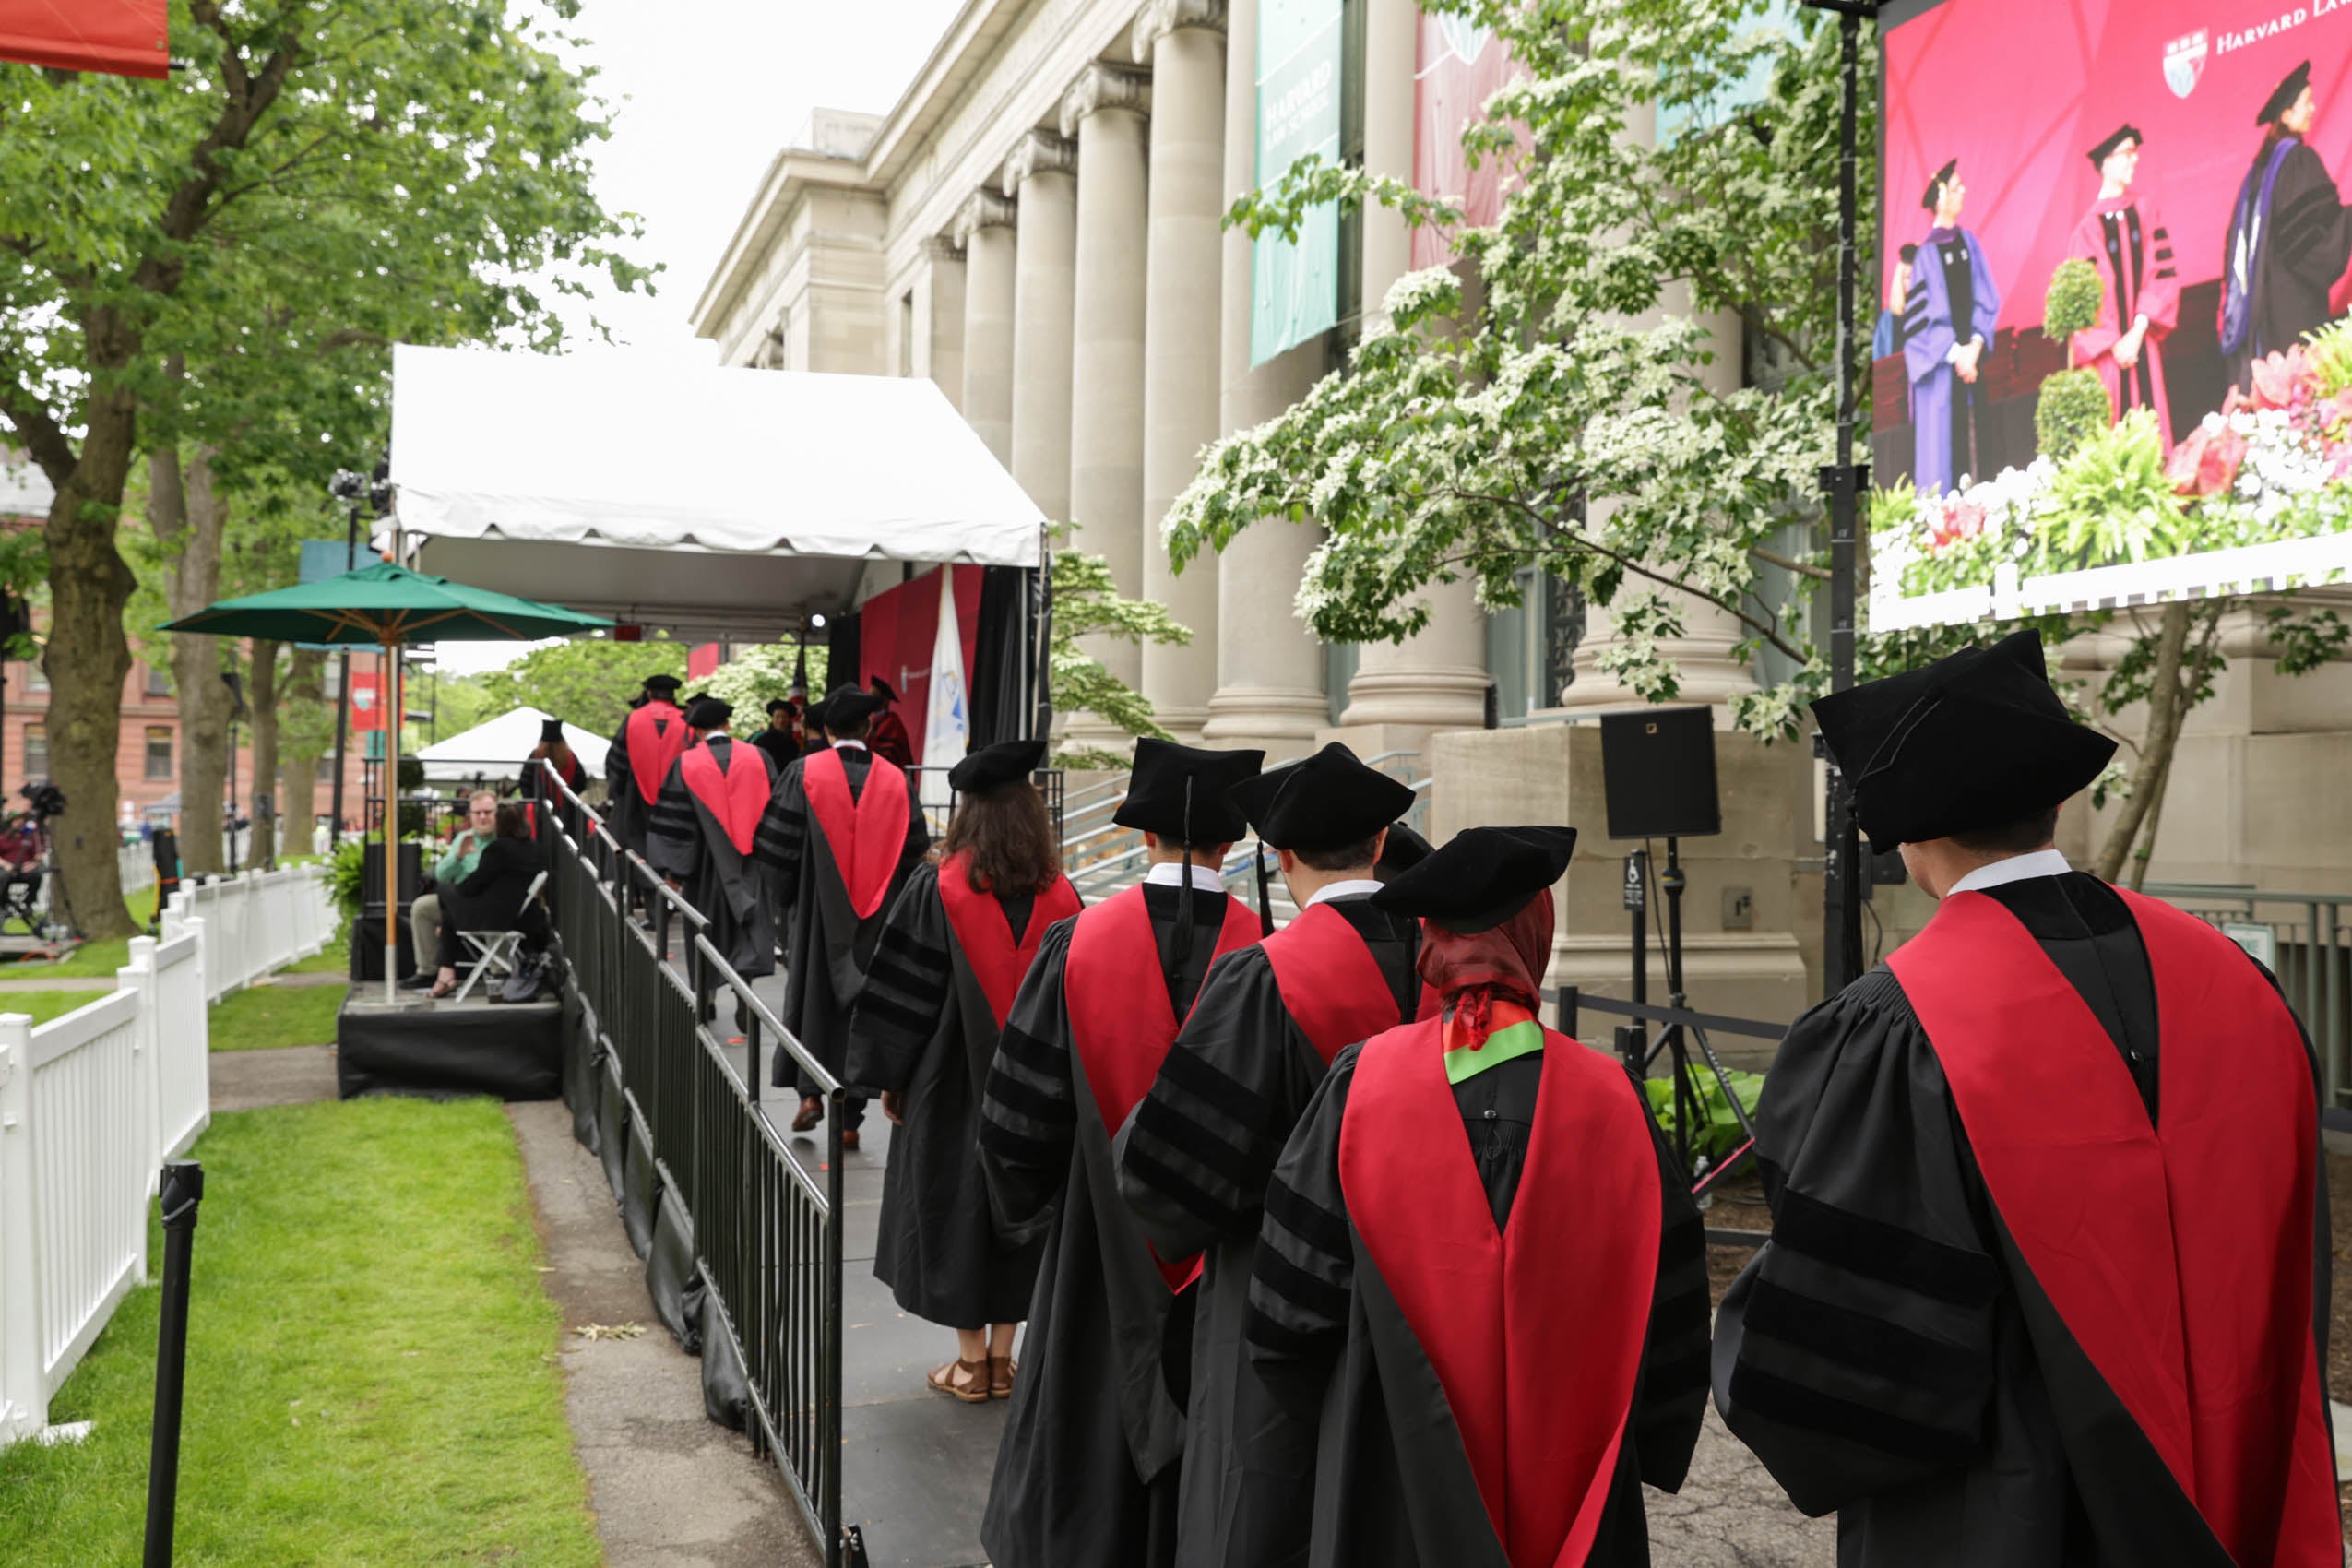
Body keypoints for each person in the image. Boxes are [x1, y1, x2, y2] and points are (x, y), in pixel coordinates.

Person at [1714, 629, 2340, 1565]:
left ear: (1914, 837)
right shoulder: (2238, 983)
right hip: (2235, 1472)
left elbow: (1855, 1365)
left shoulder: (1901, 1025)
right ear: (2052, 800)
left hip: (2013, 1513)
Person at [1240, 826, 1708, 1567]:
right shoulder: (1612, 1101)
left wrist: (1324, 1416)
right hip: (1573, 1464)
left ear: (1431, 941)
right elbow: (1670, 1304)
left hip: (1390, 1464)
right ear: (1535, 935)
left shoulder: (1363, 1084)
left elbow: (1291, 1311)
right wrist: (1647, 1436)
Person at [1111, 742, 1423, 1568]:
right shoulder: (1445, 967)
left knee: (1264, 1491)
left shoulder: (1264, 977)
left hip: (1270, 1284)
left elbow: (1168, 1172)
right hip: (1422, 1290)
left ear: (1281, 857)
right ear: (1384, 845)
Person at [976, 737, 1265, 1568]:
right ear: (1234, 841)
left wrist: (1035, 1206)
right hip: (1228, 1253)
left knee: (1086, 1406)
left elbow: (1017, 1117)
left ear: (1144, 838)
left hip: (1096, 1243)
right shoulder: (1270, 959)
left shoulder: (1079, 943)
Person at [845, 738, 1081, 1403]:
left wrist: (890, 1079)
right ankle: (1005, 1361)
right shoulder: (1063, 898)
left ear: (967, 816)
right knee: (1024, 1200)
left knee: (957, 1205)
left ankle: (971, 1364)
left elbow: (903, 1000)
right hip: (1040, 1088)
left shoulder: (936, 889)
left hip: (950, 1085)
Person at [757, 683, 929, 1149]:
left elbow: (777, 847)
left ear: (827, 729)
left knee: (814, 995)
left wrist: (789, 898)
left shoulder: (803, 773)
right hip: (882, 917)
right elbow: (916, 852)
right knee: (865, 1005)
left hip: (818, 913)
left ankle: (811, 1095)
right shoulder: (896, 780)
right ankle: (851, 1118)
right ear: (869, 726)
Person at [2224, 60, 2352, 394]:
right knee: (2302, 389)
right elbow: (2309, 240)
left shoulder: (2256, 174)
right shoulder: (2298, 161)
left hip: (2264, 306)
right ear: (2285, 115)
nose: (2313, 108)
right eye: (2306, 102)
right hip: (2294, 304)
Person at [646, 696, 782, 992]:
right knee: (747, 929)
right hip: (751, 863)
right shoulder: (759, 757)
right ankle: (744, 989)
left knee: (704, 927)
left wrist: (673, 872)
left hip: (704, 866)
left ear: (696, 731)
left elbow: (675, 823)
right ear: (727, 724)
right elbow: (776, 812)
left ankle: (706, 994)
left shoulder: (686, 763)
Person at [2068, 125, 2180, 447]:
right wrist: (2115, 343)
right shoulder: (2086, 232)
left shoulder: (2145, 212)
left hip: (2140, 343)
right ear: (2106, 163)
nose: (2135, 160)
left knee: (2151, 440)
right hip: (2110, 358)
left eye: (2135, 152)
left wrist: (2137, 331)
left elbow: (2161, 275)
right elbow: (2083, 308)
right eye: (2127, 153)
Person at [1904, 160, 2003, 494]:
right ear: (1940, 196)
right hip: (1943, 377)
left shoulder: (1970, 244)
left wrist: (1974, 347)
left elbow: (1986, 297)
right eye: (1957, 187)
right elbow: (1918, 327)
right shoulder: (1925, 256)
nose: (1964, 192)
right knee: (1945, 460)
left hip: (1971, 367)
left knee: (1977, 454)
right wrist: (1956, 354)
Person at [424, 802, 547, 999]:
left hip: (495, 917)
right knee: (449, 914)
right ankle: (445, 973)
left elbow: (472, 886)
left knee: (444, 889)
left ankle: (445, 973)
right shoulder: (535, 849)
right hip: (522, 915)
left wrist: (458, 888)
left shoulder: (498, 849)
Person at [407, 790, 499, 992]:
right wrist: (458, 856)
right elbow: (440, 874)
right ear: (470, 815)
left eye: (488, 812)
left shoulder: (503, 839)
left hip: (488, 904)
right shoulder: (464, 838)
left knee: (460, 902)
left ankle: (496, 970)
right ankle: (428, 971)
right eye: (478, 813)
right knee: (422, 907)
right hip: (459, 902)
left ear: (496, 813)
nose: (483, 817)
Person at [605, 673, 688, 870]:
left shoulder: (634, 719)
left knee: (638, 850)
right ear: (673, 695)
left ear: (649, 693)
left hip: (636, 799)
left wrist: (617, 790)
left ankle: (642, 889)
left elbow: (616, 763)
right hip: (676, 800)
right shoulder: (686, 722)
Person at [522, 717, 588, 802]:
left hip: (541, 806)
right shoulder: (570, 757)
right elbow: (581, 782)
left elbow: (525, 781)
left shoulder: (536, 755)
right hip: (567, 806)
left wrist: (533, 799)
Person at [1871, 243, 1918, 361]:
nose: (1912, 282)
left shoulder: (1934, 311)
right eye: (1907, 277)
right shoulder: (1888, 318)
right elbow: (1879, 359)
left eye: (1916, 276)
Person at [867, 675, 914, 768]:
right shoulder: (869, 722)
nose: (868, 700)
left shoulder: (892, 723)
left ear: (884, 701)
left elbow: (888, 755)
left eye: (872, 696)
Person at [751, 698, 801, 768]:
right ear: (772, 719)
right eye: (777, 716)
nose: (781, 720)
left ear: (789, 720)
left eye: (784, 717)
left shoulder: (793, 743)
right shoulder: (762, 739)